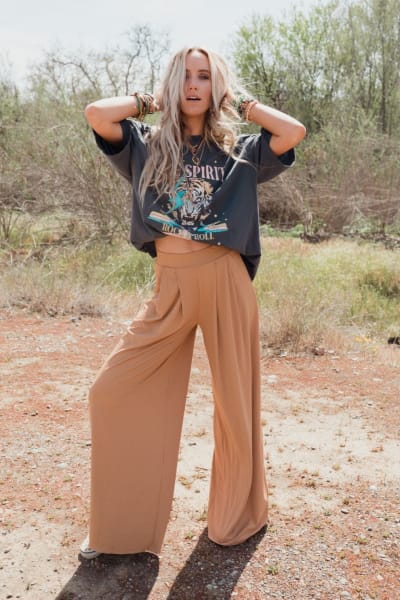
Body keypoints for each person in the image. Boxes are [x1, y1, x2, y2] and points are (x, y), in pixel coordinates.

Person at [80, 46, 306, 560]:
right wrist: (150, 100)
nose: (194, 85)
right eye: (185, 75)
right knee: (110, 391)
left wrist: (241, 103)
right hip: (171, 285)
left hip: (226, 279)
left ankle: (235, 520)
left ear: (215, 86)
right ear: (171, 83)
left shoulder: (240, 150)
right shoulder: (145, 144)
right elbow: (97, 114)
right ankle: (122, 530)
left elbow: (292, 132)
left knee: (235, 405)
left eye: (204, 76)